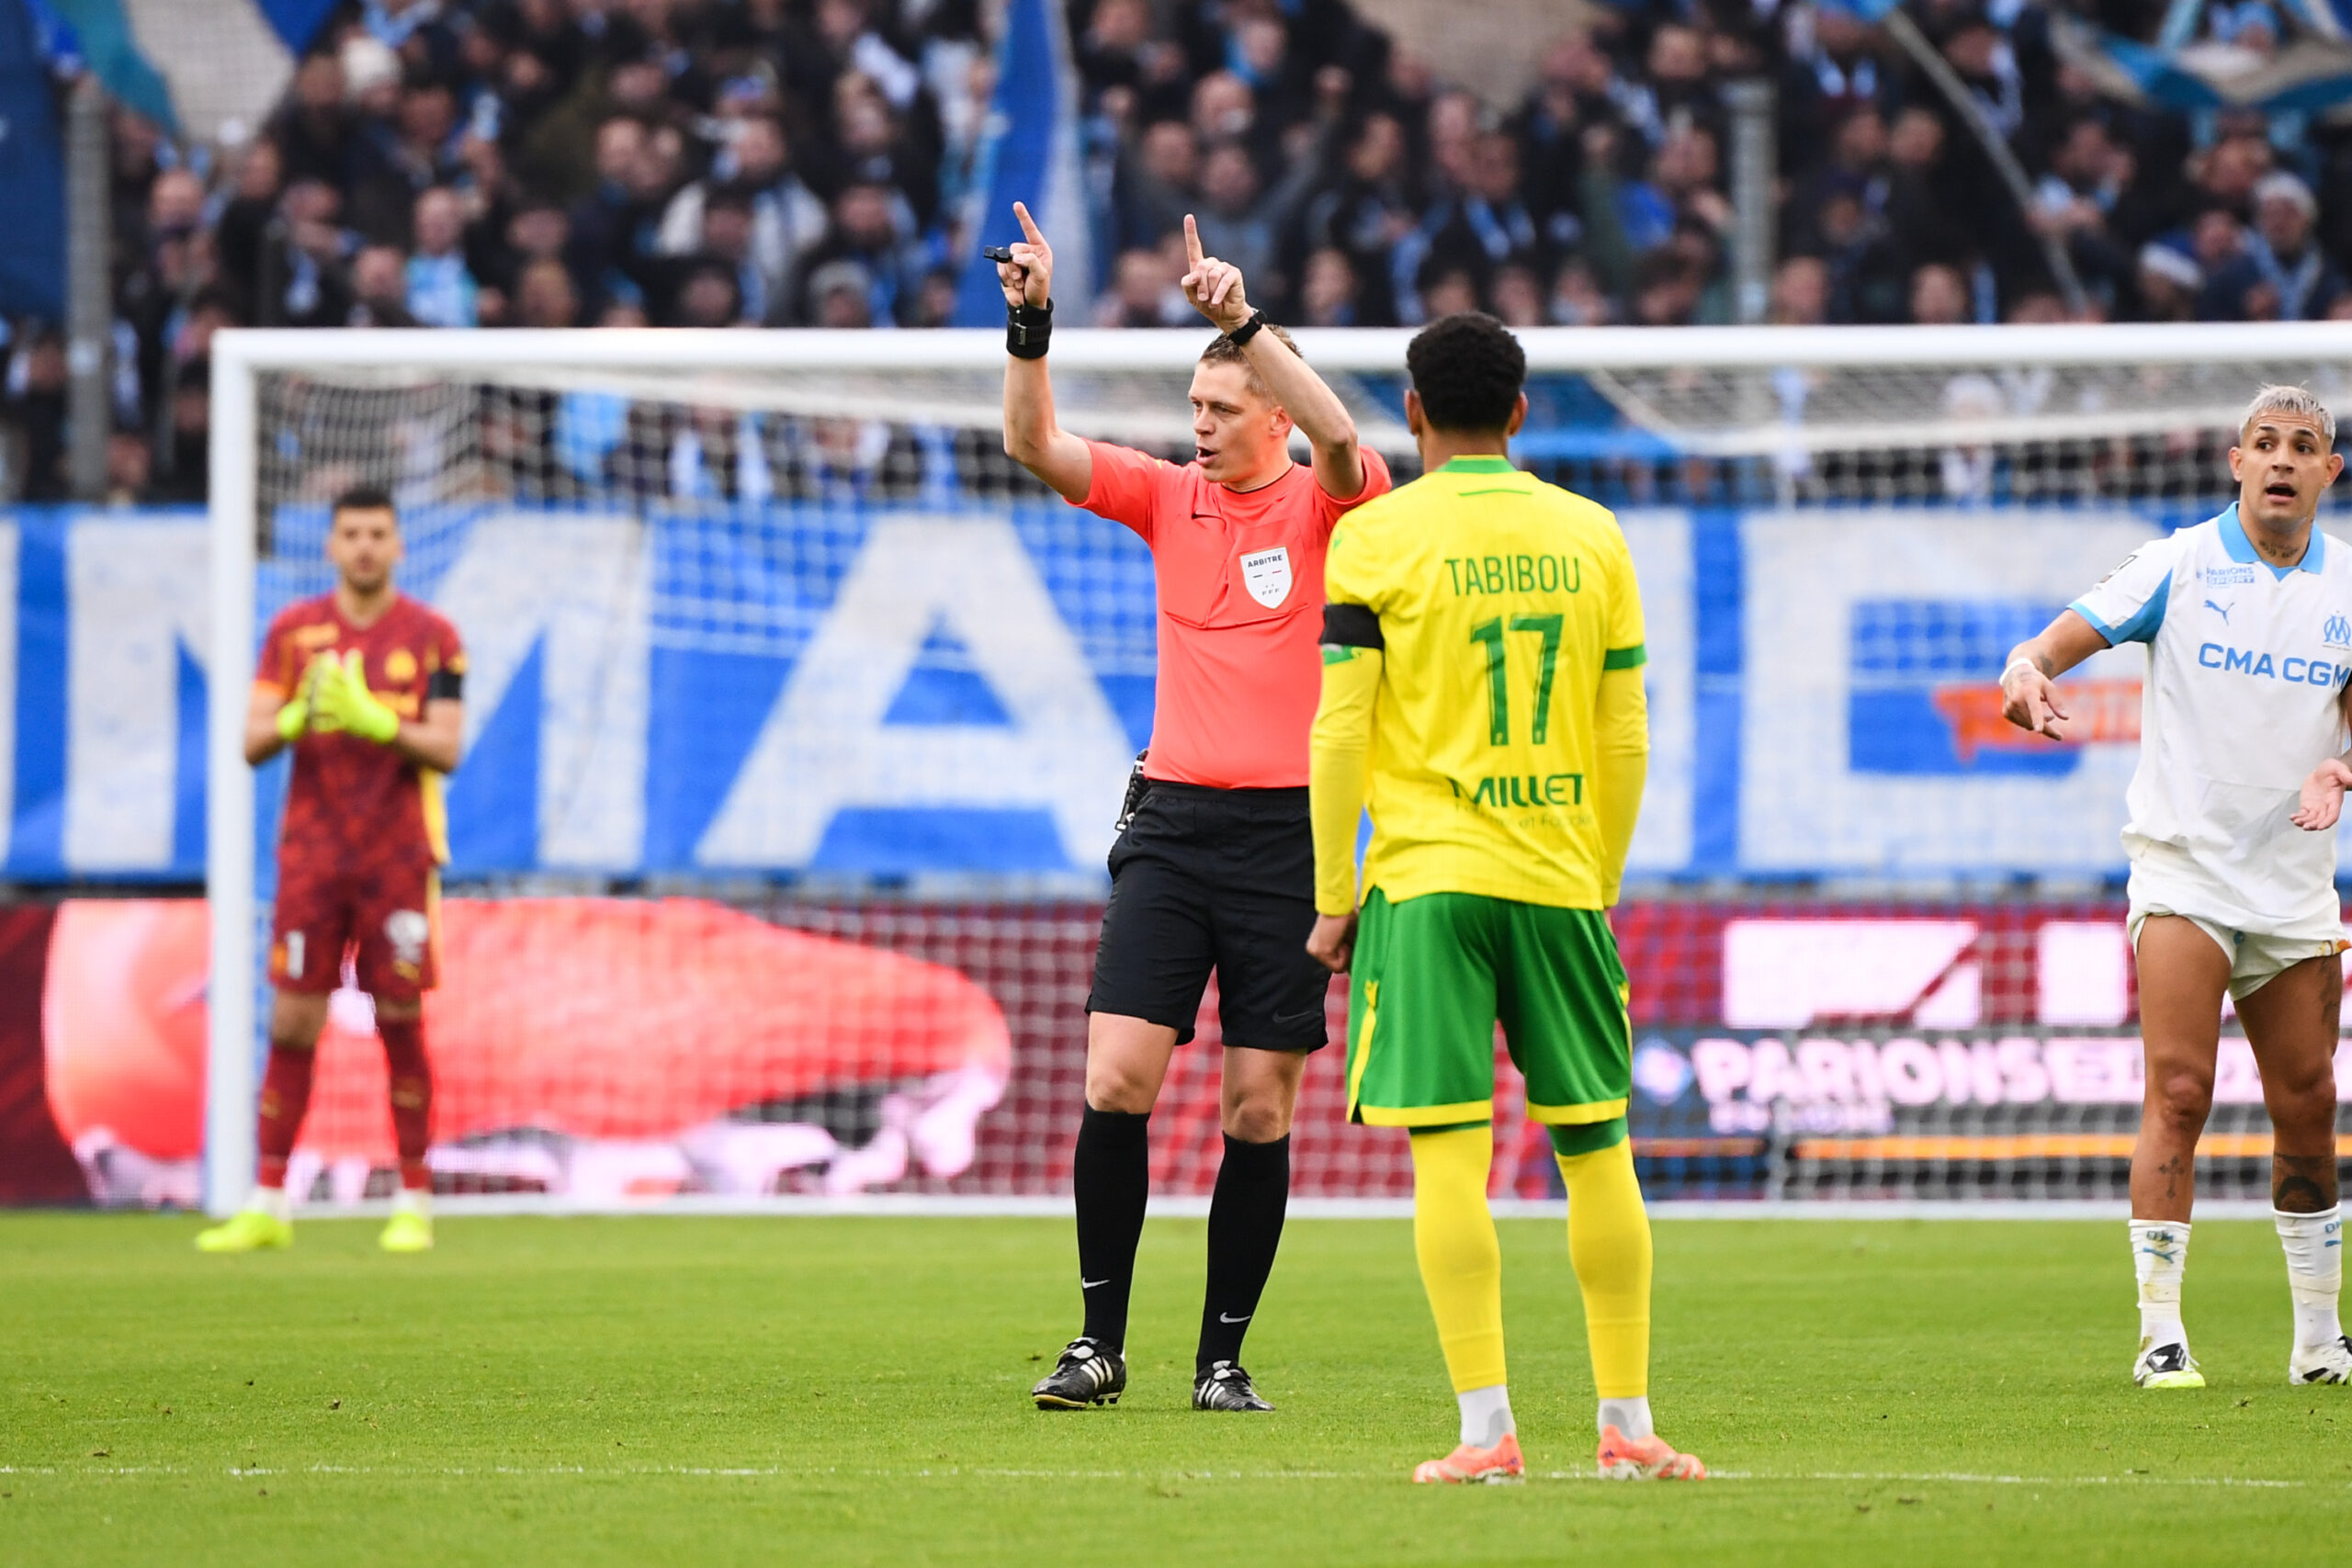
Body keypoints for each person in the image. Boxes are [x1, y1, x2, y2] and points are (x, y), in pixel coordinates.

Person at [998, 200, 1392, 1412]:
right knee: (1117, 1076)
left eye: (1222, 408)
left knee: (1258, 1103)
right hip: (1170, 825)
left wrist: (1245, 320)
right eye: (1196, 409)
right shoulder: (1170, 497)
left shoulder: (1329, 500)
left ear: (1270, 409)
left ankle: (1222, 1356)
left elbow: (1341, 433)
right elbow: (1037, 445)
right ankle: (1096, 1342)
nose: (1202, 426)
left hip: (1290, 837)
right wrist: (1031, 328)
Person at [1306, 311, 1703, 1483]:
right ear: (1521, 413)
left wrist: (1336, 894)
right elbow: (1625, 727)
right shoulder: (1592, 537)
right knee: (1598, 1148)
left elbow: (1339, 729)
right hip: (1558, 877)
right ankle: (1626, 1424)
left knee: (1447, 1155)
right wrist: (1600, 872)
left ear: (1413, 414)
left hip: (1426, 883)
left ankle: (1486, 1435)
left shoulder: (1374, 539)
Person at [2001, 384, 2352, 1389]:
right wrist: (2023, 671)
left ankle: (2319, 1341)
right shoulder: (2178, 563)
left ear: (2328, 474)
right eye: (2263, 444)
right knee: (2181, 1088)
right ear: (2234, 463)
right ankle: (2160, 1333)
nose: (2280, 460)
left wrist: (2339, 768)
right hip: (2182, 871)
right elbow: (2049, 645)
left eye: (2302, 446)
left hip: (2291, 886)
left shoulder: (2344, 590)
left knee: (2309, 1104)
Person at [196, 489, 467, 1256]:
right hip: (313, 859)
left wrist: (377, 720)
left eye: (378, 533)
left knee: (402, 1018)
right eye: (351, 533)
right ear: (330, 545)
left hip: (399, 857)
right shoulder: (292, 633)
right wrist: (293, 716)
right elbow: (250, 740)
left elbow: (447, 747)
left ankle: (413, 1199)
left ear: (400, 544)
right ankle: (268, 1202)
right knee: (291, 1021)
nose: (365, 547)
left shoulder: (435, 636)